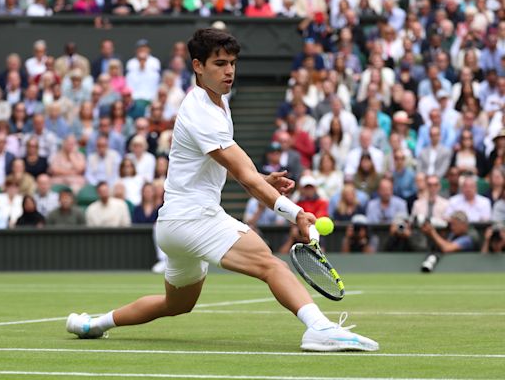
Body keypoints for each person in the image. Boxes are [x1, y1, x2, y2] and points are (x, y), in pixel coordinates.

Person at [66, 28, 378, 352]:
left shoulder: (219, 104)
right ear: (198, 66)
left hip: (173, 225)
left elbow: (230, 171)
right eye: (219, 63)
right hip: (193, 219)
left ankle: (92, 324)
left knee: (176, 304)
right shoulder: (201, 111)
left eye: (232, 63)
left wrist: (259, 179)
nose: (229, 71)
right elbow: (243, 172)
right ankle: (320, 328)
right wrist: (295, 212)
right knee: (271, 265)